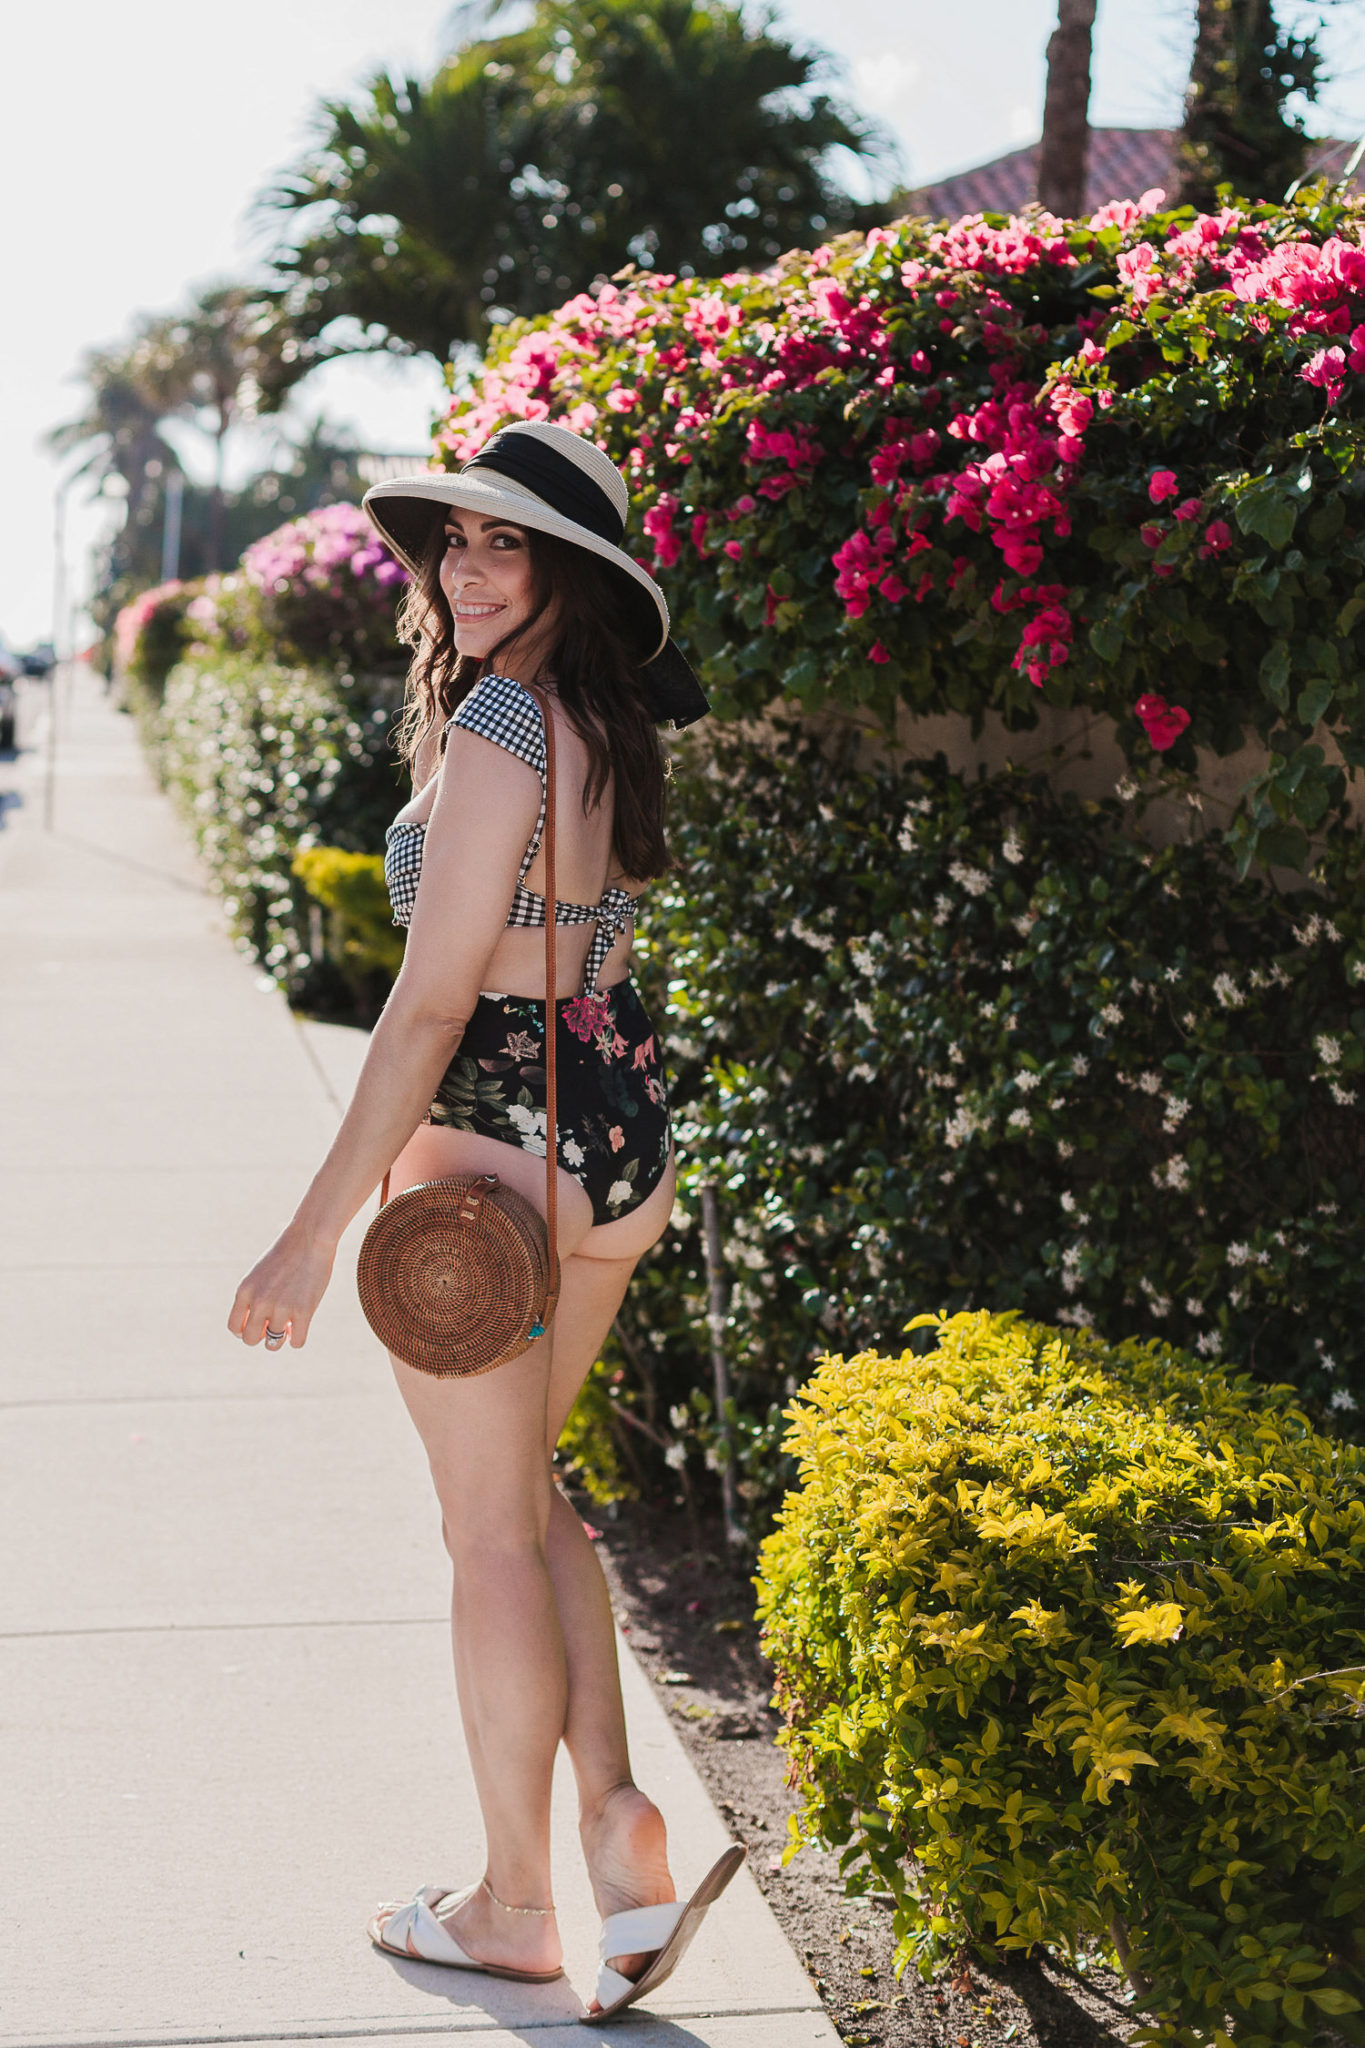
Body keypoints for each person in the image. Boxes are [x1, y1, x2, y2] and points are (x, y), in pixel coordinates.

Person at [228, 420, 742, 2021]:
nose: (463, 565)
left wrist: (312, 1229)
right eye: (453, 539)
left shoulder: (509, 713)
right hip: (608, 1136)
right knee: (532, 1493)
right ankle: (614, 1827)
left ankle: (518, 1904)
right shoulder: (589, 715)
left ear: (564, 573)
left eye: (502, 542)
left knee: (485, 1534)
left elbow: (435, 996)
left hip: (495, 1153)